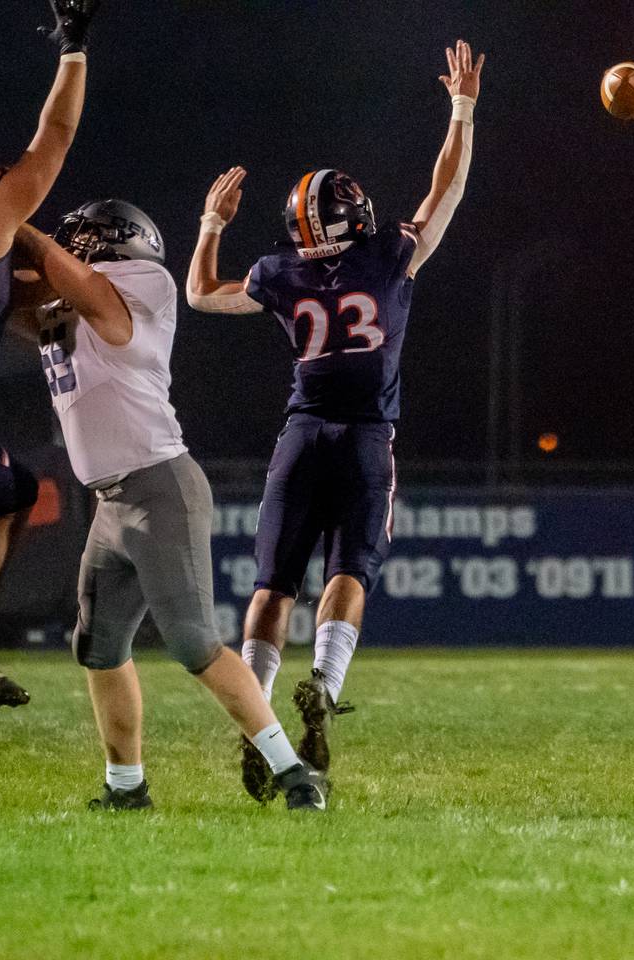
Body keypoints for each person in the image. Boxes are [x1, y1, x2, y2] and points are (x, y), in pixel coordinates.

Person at [185, 40, 483, 801]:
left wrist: (212, 224)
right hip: (366, 439)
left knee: (272, 583)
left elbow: (199, 294)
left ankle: (258, 722)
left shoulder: (281, 271)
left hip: (301, 435)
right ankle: (322, 679)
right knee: (349, 572)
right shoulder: (387, 257)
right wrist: (462, 108)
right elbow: (443, 192)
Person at [10, 203, 326, 812]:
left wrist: (13, 220)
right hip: (110, 505)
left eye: (75, 241)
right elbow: (18, 303)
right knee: (97, 647)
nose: (64, 247)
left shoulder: (142, 285)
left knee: (192, 643)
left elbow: (69, 278)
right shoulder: (75, 301)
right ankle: (126, 787)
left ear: (104, 243)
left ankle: (294, 773)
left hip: (160, 490)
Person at [0, 0, 99, 706]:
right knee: (12, 495)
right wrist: (74, 49)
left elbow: (1, 304)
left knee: (14, 491)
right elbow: (54, 136)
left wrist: (30, 308)